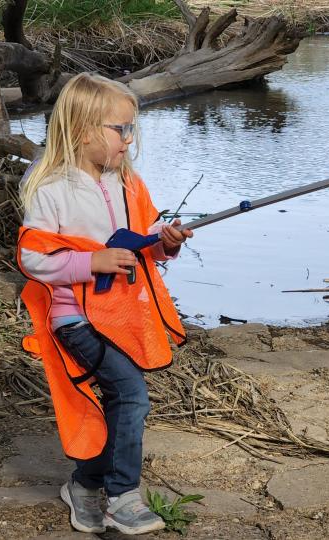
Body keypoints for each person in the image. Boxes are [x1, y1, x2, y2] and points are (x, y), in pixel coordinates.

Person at [16, 72, 193, 535]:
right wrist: (90, 262)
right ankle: (122, 497)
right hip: (73, 318)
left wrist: (166, 242)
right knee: (130, 394)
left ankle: (84, 484)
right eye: (121, 130)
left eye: (132, 130)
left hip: (122, 315)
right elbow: (33, 257)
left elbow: (146, 245)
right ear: (82, 130)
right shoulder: (51, 186)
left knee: (118, 399)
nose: (129, 142)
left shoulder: (128, 183)